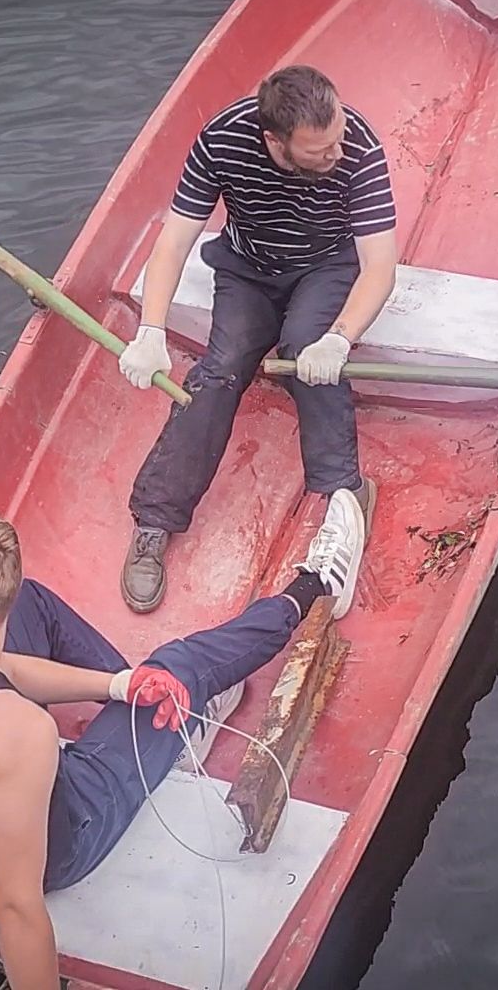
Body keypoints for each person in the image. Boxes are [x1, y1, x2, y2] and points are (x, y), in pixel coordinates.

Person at [0, 488, 367, 989]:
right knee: (180, 665)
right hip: (66, 841)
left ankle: (143, 709)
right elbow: (16, 906)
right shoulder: (24, 736)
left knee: (36, 608)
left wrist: (121, 685)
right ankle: (316, 587)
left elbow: (4, 667)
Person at [115, 63, 398, 612]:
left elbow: (380, 266)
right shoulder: (222, 139)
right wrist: (150, 329)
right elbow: (174, 241)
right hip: (247, 267)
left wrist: (339, 339)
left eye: (337, 138)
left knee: (304, 353)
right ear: (275, 142)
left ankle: (344, 492)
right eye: (319, 151)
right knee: (220, 369)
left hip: (326, 265)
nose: (337, 153)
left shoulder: (356, 145)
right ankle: (155, 519)